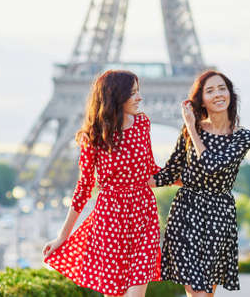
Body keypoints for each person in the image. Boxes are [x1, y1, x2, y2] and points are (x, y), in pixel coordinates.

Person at [42, 70, 161, 297]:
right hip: (110, 221)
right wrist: (62, 237)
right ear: (116, 96)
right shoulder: (93, 136)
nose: (139, 98)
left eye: (139, 92)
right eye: (133, 93)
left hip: (143, 216)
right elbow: (84, 187)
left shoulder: (143, 124)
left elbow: (150, 169)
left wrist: (190, 179)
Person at [148, 70, 250, 296]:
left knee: (204, 292)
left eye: (222, 88)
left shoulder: (243, 137)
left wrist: (192, 128)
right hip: (186, 212)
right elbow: (170, 172)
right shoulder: (190, 131)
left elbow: (213, 166)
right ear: (201, 100)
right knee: (196, 291)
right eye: (210, 90)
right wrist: (129, 179)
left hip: (218, 214)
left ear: (230, 94)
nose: (217, 94)